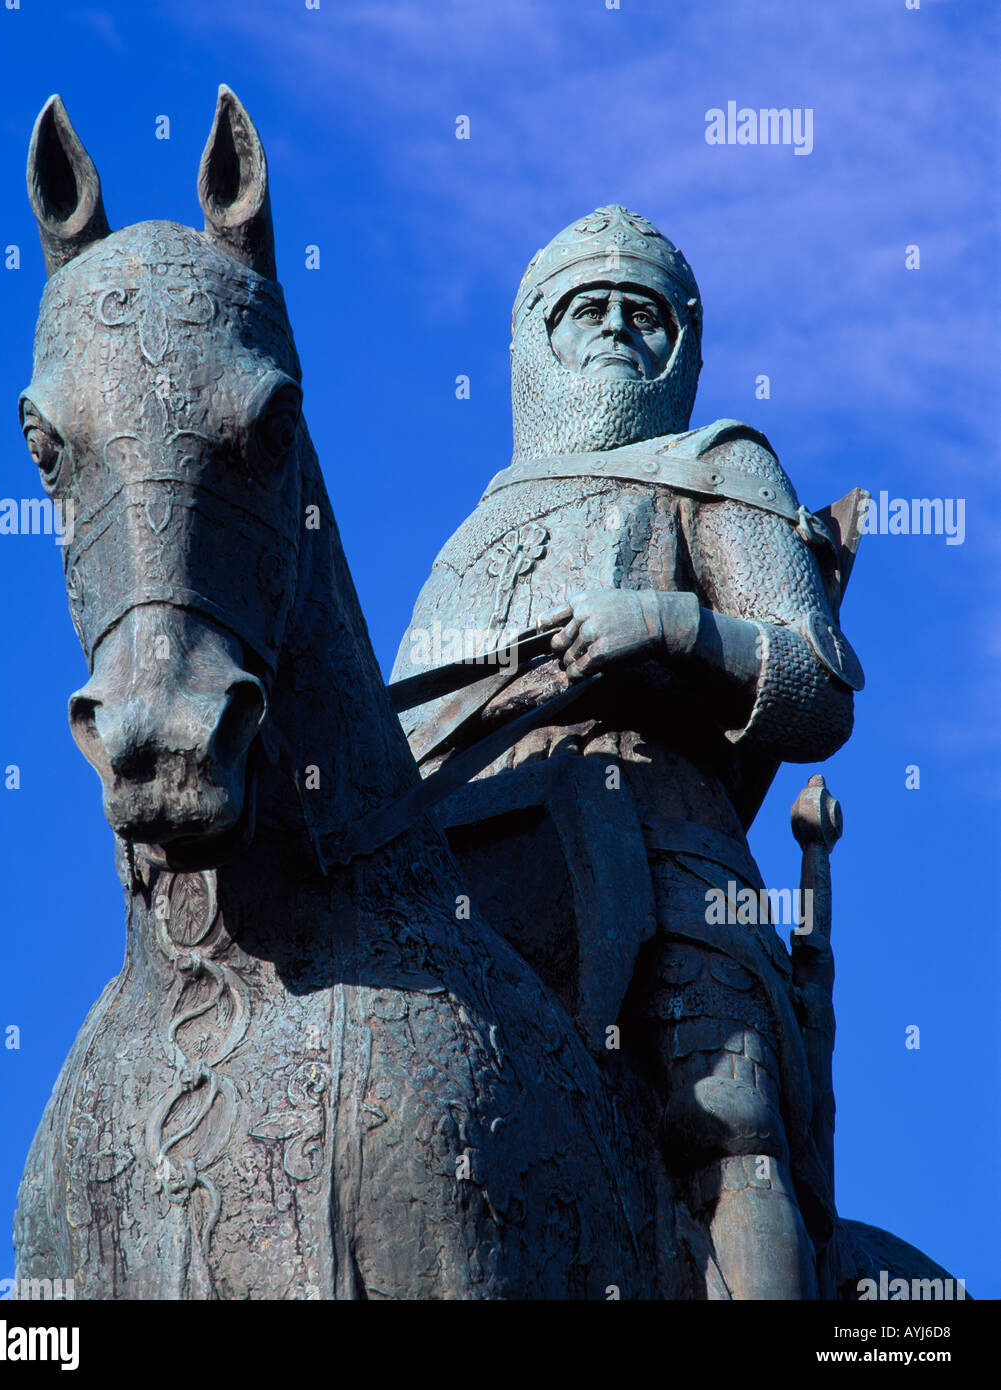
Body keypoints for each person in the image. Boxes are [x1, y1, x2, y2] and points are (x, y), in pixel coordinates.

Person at [391, 205, 865, 1298]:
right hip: (461, 848)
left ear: (680, 346)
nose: (612, 325)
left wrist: (669, 624)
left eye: (639, 311)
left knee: (725, 1113)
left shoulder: (715, 464)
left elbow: (817, 682)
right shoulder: (472, 529)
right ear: (534, 339)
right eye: (584, 307)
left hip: (657, 837)